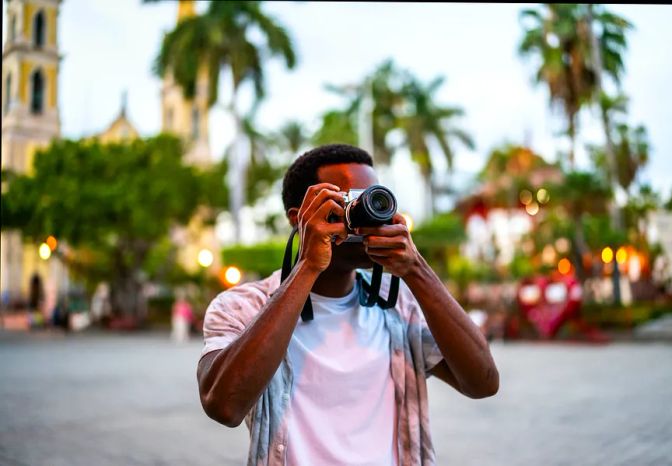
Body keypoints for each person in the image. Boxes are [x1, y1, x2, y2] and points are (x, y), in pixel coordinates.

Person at [197, 144, 499, 465]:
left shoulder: (398, 305)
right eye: (346, 203)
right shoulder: (241, 306)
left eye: (371, 199)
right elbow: (223, 405)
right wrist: (308, 267)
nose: (365, 215)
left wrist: (416, 269)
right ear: (299, 219)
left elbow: (483, 382)